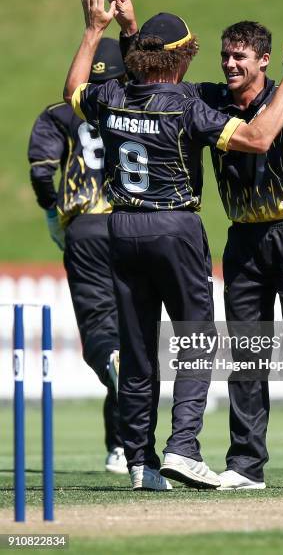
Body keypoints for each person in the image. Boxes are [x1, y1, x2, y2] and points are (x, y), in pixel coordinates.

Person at [63, 0, 283, 491]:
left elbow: (71, 91)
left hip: (120, 228)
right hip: (173, 227)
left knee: (136, 351)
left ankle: (140, 461)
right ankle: (183, 448)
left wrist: (97, 30)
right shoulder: (185, 103)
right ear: (180, 62)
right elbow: (259, 137)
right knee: (196, 339)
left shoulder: (110, 95)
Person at [28, 37, 128, 475]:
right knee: (132, 335)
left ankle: (121, 440)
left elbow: (40, 170)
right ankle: (122, 446)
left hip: (86, 225)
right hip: (134, 224)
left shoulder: (59, 114)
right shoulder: (136, 106)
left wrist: (53, 214)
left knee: (101, 335)